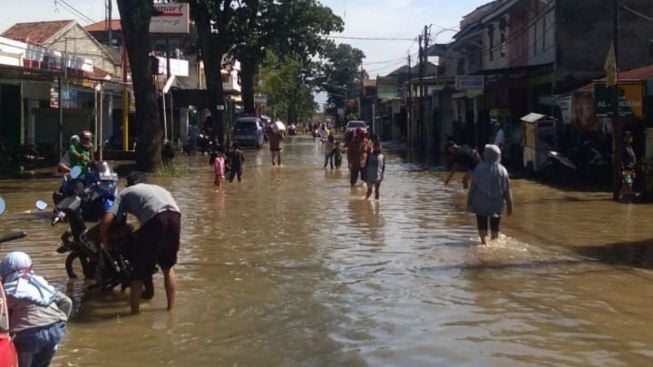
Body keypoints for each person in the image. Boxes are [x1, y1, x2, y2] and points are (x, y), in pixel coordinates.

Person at [100, 172, 181, 314]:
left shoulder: (125, 193)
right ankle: (171, 310)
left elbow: (107, 218)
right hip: (175, 217)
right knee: (168, 268)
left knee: (137, 273)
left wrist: (104, 238)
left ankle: (134, 314)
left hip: (155, 219)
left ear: (129, 184)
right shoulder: (158, 188)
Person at [1, 251, 72, 367]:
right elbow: (67, 302)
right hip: (55, 329)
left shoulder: (8, 291)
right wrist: (62, 325)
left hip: (30, 334)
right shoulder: (42, 285)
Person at [467, 144, 513, 245]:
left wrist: (469, 202)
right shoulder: (503, 170)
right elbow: (507, 190)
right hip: (497, 202)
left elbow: (473, 187)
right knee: (495, 223)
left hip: (481, 201)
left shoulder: (479, 168)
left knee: (482, 221)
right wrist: (510, 205)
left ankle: (483, 243)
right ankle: (494, 241)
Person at [620, 130, 637, 200]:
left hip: (630, 169)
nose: (630, 138)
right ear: (624, 138)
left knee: (627, 185)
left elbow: (632, 158)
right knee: (628, 184)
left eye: (630, 137)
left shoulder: (629, 147)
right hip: (626, 169)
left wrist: (633, 170)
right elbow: (621, 159)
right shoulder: (623, 147)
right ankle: (621, 197)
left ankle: (622, 197)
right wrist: (622, 170)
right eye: (628, 137)